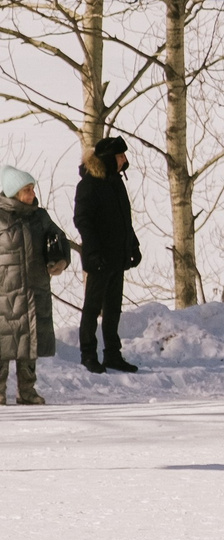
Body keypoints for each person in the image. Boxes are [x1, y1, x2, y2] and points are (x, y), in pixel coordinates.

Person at [1, 165, 72, 405]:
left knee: (30, 345)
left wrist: (60, 259)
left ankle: (28, 391)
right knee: (2, 344)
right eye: (26, 190)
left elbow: (59, 240)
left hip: (34, 289)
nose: (32, 194)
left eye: (32, 189)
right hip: (5, 294)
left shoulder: (40, 217)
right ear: (13, 192)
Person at [73, 137, 142, 374]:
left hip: (117, 257)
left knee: (113, 309)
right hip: (99, 259)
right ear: (108, 159)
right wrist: (92, 253)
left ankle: (112, 355)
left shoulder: (115, 182)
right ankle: (88, 355)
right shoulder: (89, 185)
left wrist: (133, 246)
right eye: (120, 156)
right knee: (92, 308)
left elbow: (124, 219)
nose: (124, 159)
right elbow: (82, 220)